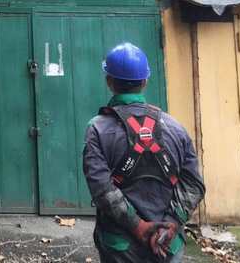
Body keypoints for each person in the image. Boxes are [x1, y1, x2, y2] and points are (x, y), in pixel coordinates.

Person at [83, 43, 205, 262]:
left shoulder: (98, 129)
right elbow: (194, 185)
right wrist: (170, 225)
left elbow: (102, 189)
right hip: (167, 246)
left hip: (120, 247)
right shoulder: (176, 128)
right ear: (145, 81)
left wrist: (138, 226)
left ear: (109, 81)